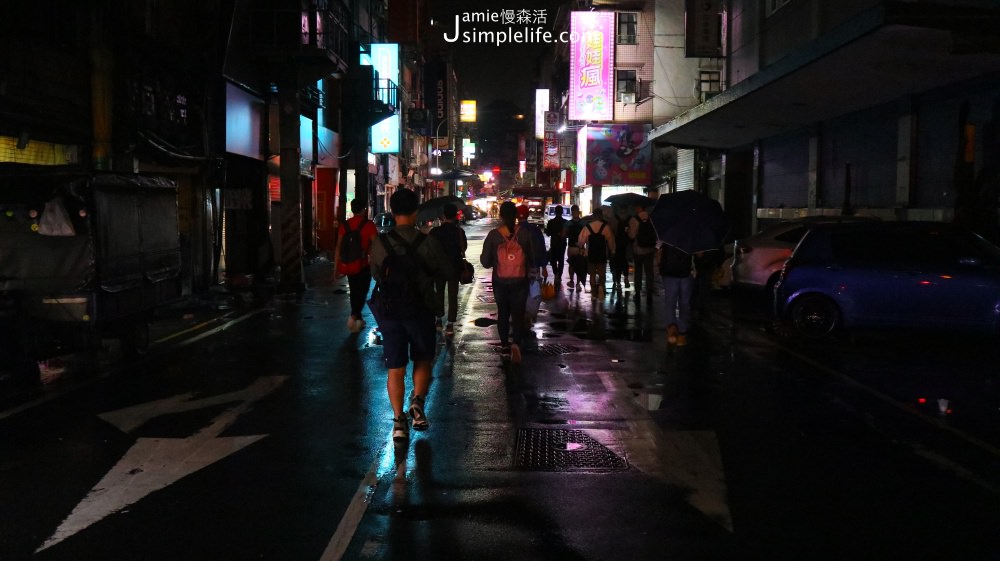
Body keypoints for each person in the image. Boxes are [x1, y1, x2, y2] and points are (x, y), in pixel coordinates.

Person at [369, 188, 453, 441]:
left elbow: (375, 274)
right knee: (423, 359)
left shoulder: (379, 243)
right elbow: (443, 272)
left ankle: (398, 423)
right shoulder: (428, 242)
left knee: (395, 368)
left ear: (392, 212)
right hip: (421, 310)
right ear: (416, 211)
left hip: (391, 312)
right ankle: (417, 402)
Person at [480, 201, 540, 364]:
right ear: (516, 216)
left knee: (503, 313)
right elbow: (532, 258)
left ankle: (505, 346)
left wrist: (497, 259)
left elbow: (485, 262)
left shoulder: (494, 235)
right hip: (520, 280)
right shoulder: (525, 234)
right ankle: (516, 344)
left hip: (500, 280)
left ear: (500, 215)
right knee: (518, 313)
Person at [333, 198, 378, 333]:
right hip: (364, 264)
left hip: (349, 264)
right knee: (362, 291)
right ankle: (354, 316)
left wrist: (335, 268)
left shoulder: (345, 225)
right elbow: (376, 245)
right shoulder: (369, 225)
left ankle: (358, 318)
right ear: (364, 209)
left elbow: (338, 247)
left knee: (354, 290)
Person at [429, 203, 467, 337]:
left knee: (439, 293)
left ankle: (438, 320)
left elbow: (430, 249)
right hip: (454, 268)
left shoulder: (435, 232)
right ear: (455, 215)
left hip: (438, 268)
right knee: (452, 295)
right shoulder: (459, 232)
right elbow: (464, 248)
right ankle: (450, 324)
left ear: (444, 215)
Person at [659, 243, 695, 347]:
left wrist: (660, 265)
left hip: (669, 271)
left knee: (670, 301)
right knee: (684, 303)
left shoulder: (667, 233)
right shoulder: (692, 236)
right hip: (685, 272)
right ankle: (682, 333)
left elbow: (659, 250)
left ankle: (672, 330)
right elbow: (699, 255)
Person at [577, 208, 615, 300]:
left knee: (592, 274)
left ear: (593, 216)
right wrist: (613, 251)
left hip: (590, 254)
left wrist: (581, 247)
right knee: (602, 273)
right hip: (602, 254)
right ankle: (601, 287)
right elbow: (611, 241)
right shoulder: (606, 227)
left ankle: (594, 293)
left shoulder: (588, 227)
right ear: (601, 216)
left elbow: (581, 241)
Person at [627, 202, 657, 303]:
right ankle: (649, 292)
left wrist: (628, 232)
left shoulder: (634, 219)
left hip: (638, 250)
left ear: (639, 207)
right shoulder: (652, 218)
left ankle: (638, 292)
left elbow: (631, 235)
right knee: (649, 271)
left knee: (638, 272)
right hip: (650, 249)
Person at [544, 205, 567, 288]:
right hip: (562, 243)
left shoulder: (551, 222)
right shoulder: (565, 222)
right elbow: (567, 234)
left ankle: (556, 273)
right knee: (561, 259)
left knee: (553, 259)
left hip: (554, 243)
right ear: (562, 212)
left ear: (555, 212)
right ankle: (559, 275)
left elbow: (548, 233)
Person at [610, 205, 631, 292]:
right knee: (625, 262)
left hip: (617, 244)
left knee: (617, 263)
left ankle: (618, 282)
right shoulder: (631, 218)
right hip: (627, 245)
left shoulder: (615, 219)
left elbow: (612, 231)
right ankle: (626, 278)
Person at [565, 204, 586, 290]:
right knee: (580, 265)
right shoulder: (584, 223)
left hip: (571, 247)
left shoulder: (568, 223)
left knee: (572, 265)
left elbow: (564, 235)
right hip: (581, 248)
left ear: (572, 212)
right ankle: (578, 284)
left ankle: (571, 281)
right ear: (578, 211)